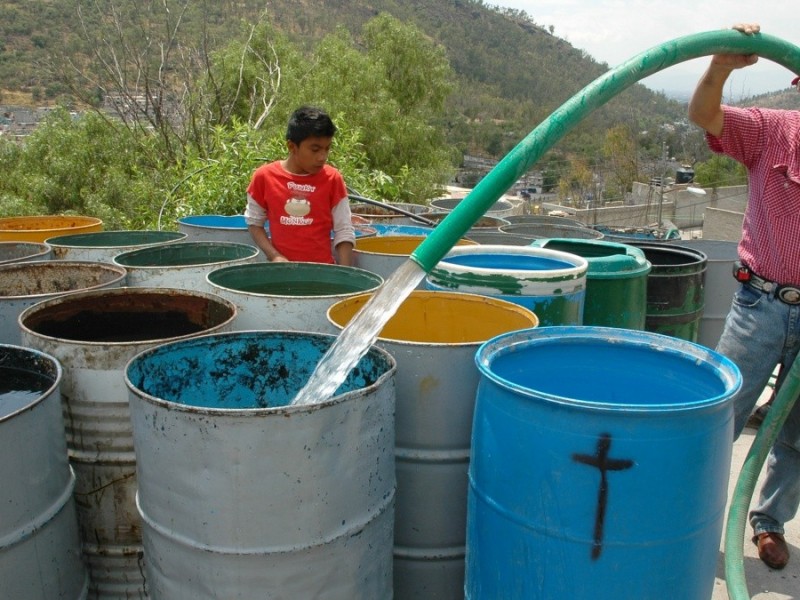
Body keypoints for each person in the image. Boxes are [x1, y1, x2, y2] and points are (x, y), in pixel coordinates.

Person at [688, 22, 800, 570]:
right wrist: (722, 65)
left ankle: (768, 523)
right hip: (761, 303)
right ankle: (690, 516)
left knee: (797, 431)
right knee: (720, 414)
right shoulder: (772, 131)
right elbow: (705, 115)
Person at [244, 106, 355, 265]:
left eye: (327, 148)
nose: (322, 157)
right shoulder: (264, 177)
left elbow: (344, 230)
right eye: (315, 149)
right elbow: (254, 223)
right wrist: (274, 256)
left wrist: (345, 274)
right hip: (282, 276)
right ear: (292, 146)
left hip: (322, 274)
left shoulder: (332, 179)